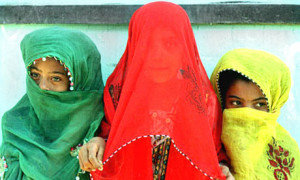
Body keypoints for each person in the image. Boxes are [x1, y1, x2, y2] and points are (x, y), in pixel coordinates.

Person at [79, 2, 233, 180]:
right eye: (148, 44)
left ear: (184, 47)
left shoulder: (202, 101)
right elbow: (110, 137)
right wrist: (98, 143)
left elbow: (213, 153)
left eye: (169, 43)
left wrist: (222, 168)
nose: (158, 55)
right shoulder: (118, 96)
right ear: (135, 45)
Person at [0, 27, 104, 179]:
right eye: (35, 75)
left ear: (81, 81)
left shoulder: (102, 130)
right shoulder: (15, 126)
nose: (42, 86)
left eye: (56, 78)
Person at [210, 48, 300, 179]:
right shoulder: (207, 149)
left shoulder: (287, 153)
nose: (247, 114)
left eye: (259, 105)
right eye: (236, 103)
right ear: (221, 101)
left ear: (273, 106)